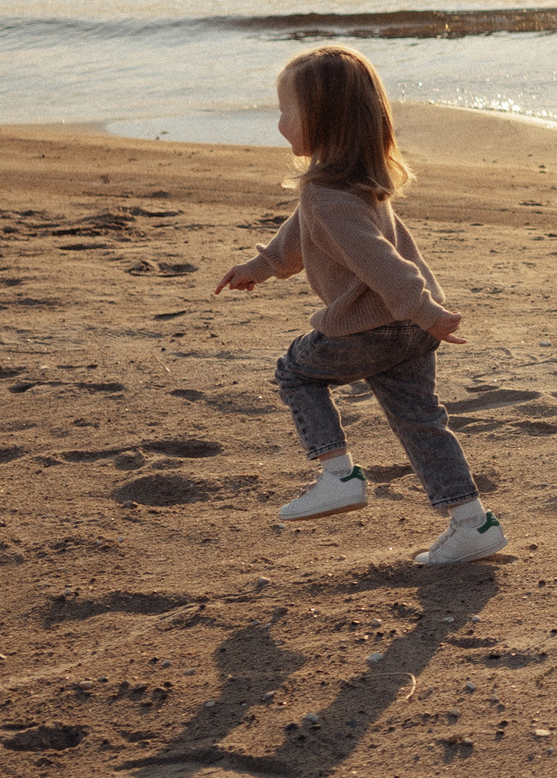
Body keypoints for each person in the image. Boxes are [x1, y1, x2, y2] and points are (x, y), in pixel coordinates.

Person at [213, 44, 508, 565]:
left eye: (287, 111)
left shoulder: (325, 196)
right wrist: (260, 267)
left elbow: (379, 262)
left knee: (296, 373)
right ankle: (472, 523)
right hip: (409, 326)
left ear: (321, 121)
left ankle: (338, 475)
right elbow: (301, 235)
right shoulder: (348, 186)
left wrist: (423, 309)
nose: (279, 121)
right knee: (419, 421)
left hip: (379, 324)